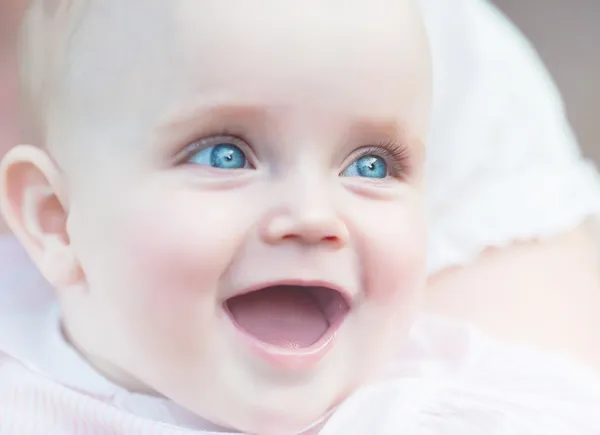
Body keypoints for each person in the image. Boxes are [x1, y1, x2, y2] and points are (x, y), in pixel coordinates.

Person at [1, 1, 600, 434]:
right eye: (225, 155)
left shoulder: (457, 407)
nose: (314, 217)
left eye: (370, 166)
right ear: (55, 218)